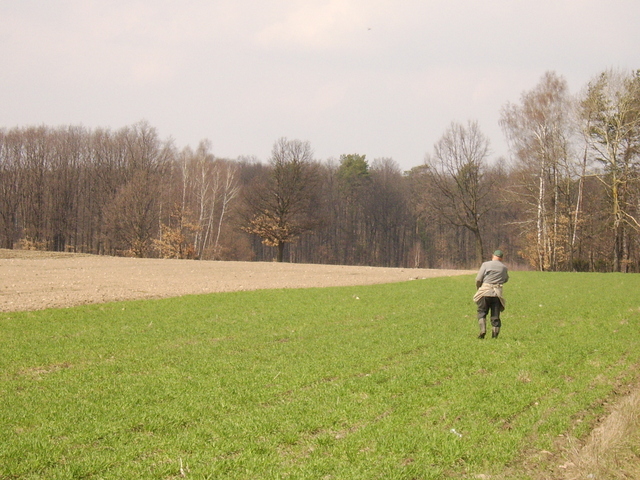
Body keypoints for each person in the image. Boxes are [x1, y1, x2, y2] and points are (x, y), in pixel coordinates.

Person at [473, 250, 509, 339]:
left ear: (492, 256)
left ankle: (483, 330)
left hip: (485, 292)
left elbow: (478, 279)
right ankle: (494, 336)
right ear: (501, 258)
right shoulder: (504, 268)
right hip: (497, 294)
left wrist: (479, 288)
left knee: (482, 312)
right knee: (495, 315)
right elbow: (505, 279)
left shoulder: (485, 264)